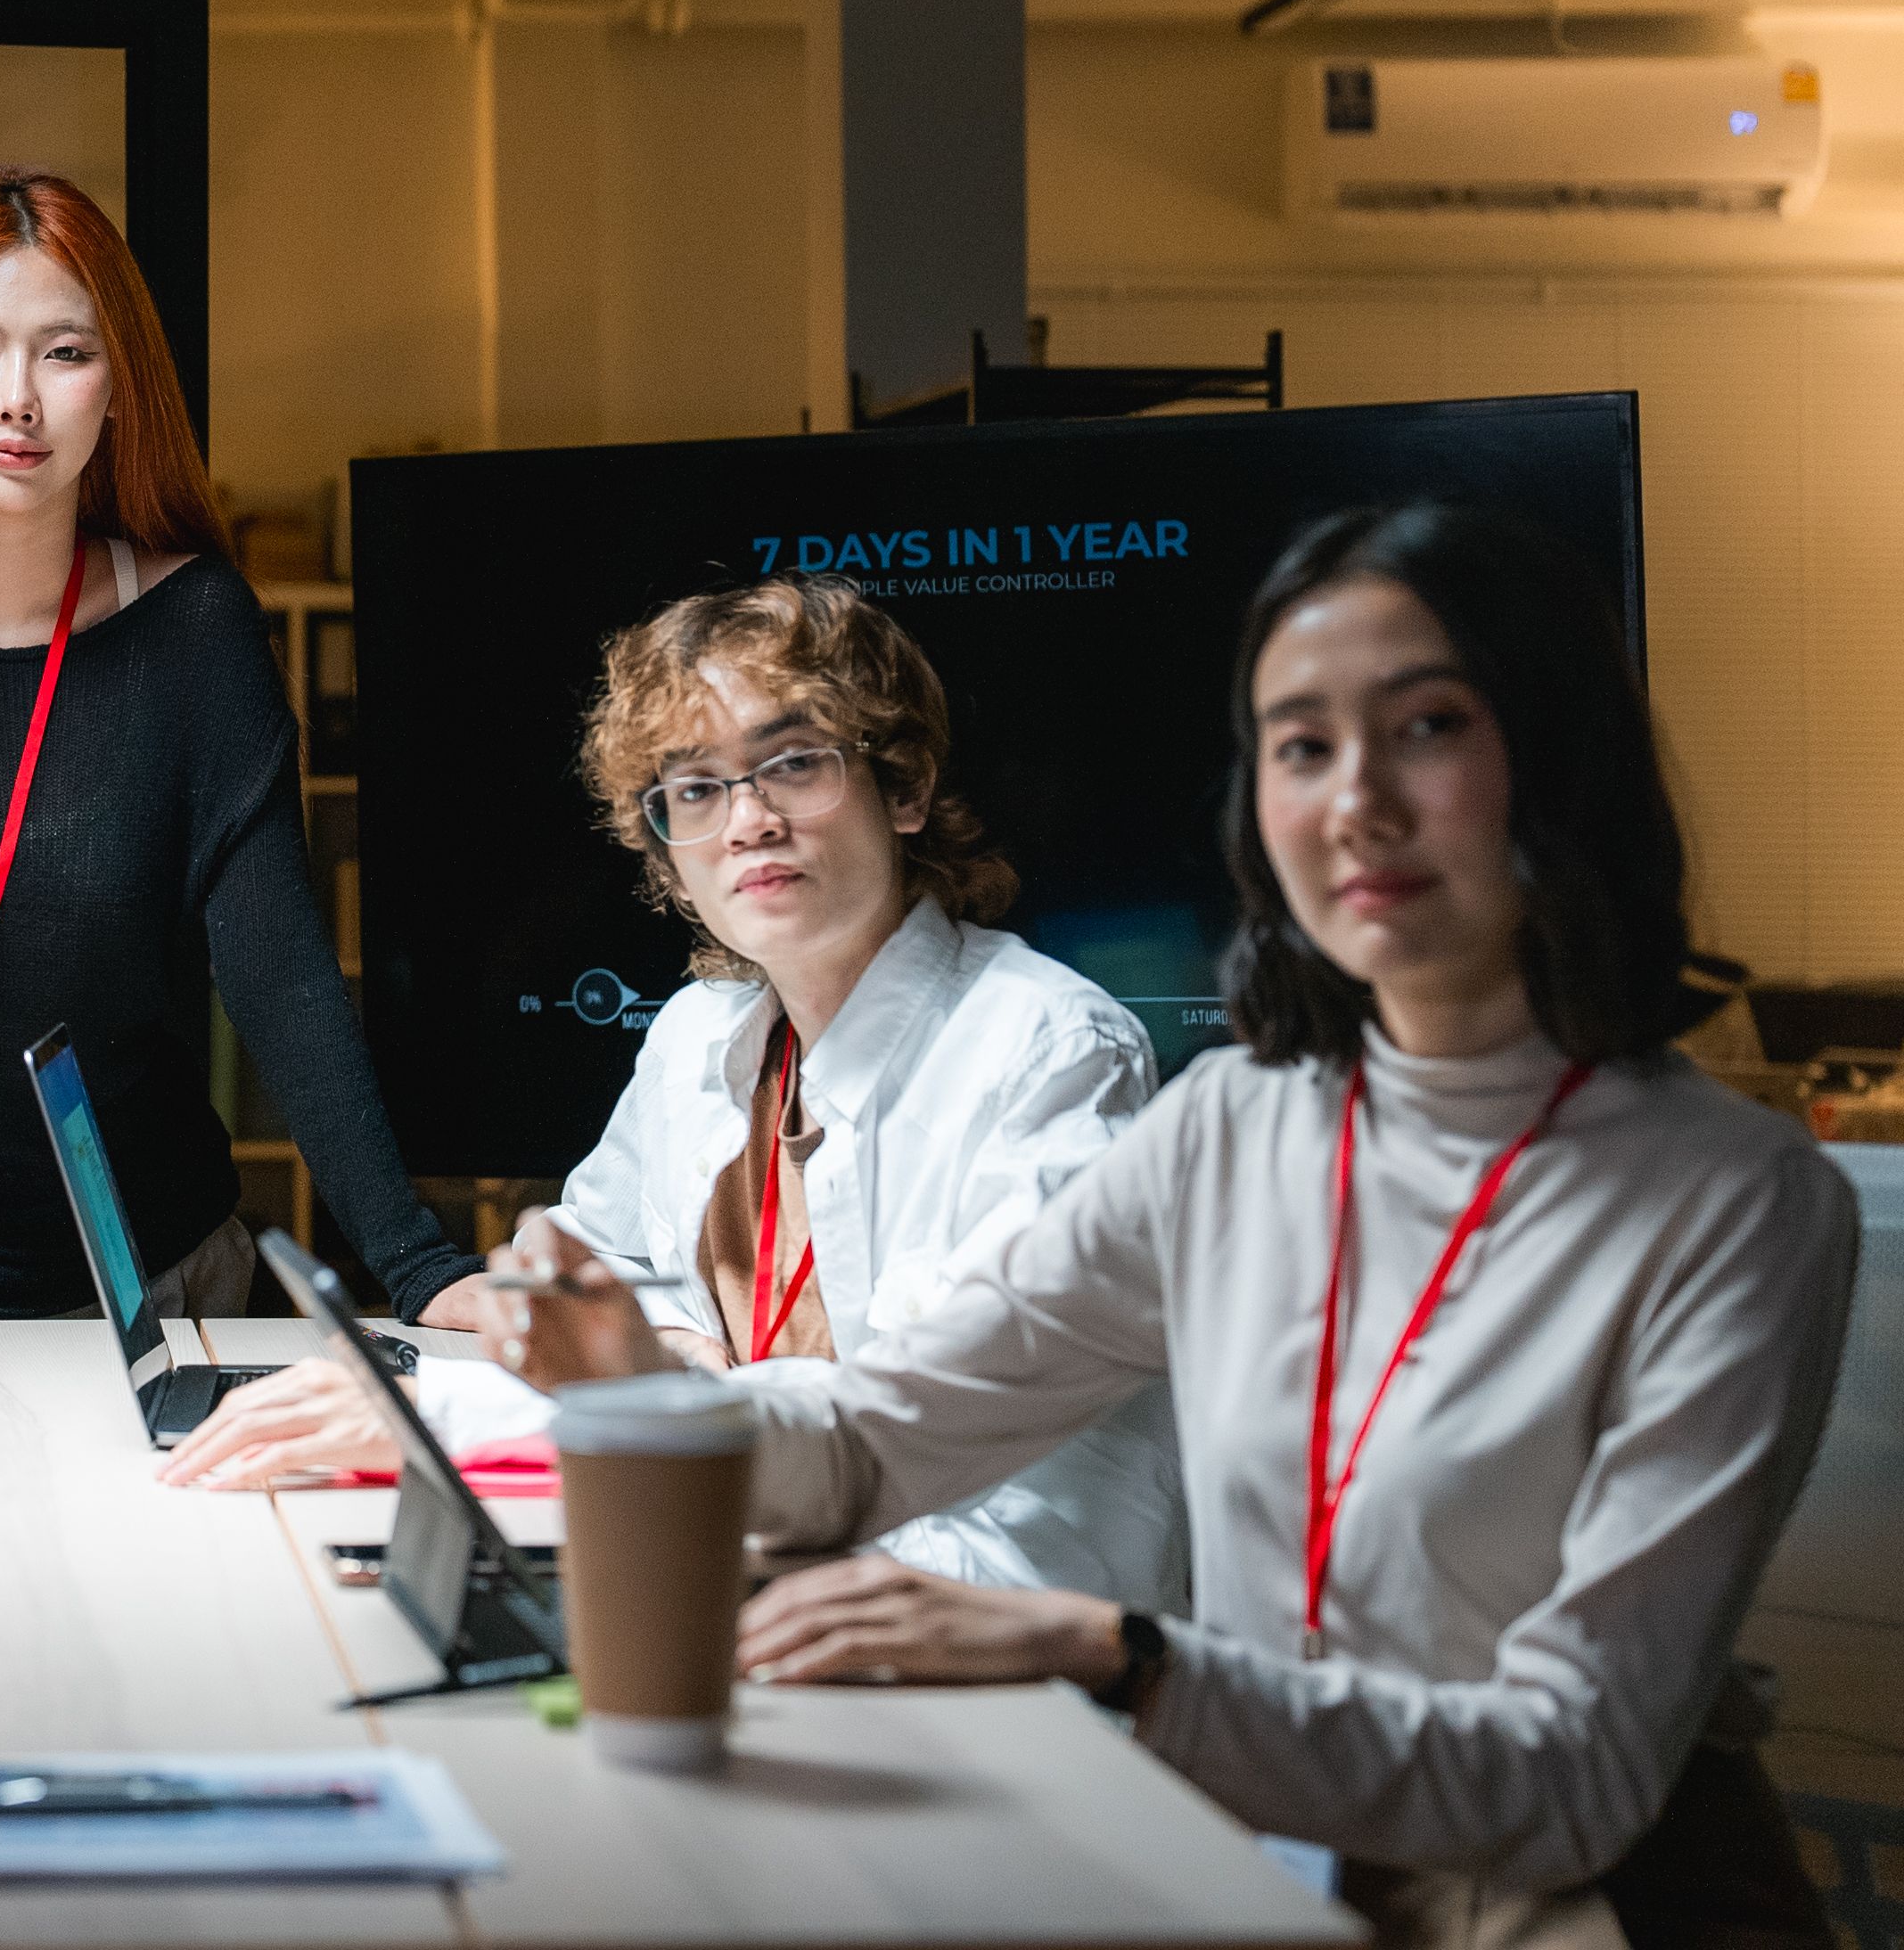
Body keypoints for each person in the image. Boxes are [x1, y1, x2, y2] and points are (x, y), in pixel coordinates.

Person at [496, 504, 1851, 1946]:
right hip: (1265, 1859)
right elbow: (882, 1437)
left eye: (1430, 725)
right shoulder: (1235, 1129)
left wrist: (1119, 1654)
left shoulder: (1740, 1202)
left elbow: (1573, 1778)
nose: (1357, 802)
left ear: (1560, 758)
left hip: (1593, 1910)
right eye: (1302, 743)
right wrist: (628, 1390)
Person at [160, 575, 1185, 1612]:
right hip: (730, 1552)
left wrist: (546, 1393)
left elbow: (915, 1433)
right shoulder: (703, 1033)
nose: (745, 821)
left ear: (905, 786)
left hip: (968, 1624)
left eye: (792, 765)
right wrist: (621, 1342)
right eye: (694, 789)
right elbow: (572, 1279)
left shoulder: (1046, 1049)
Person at [0, 168, 488, 1326]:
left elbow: (277, 971)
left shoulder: (197, 630)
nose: (15, 398)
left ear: (119, 388)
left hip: (157, 1282)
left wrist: (423, 1269)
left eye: (63, 354)